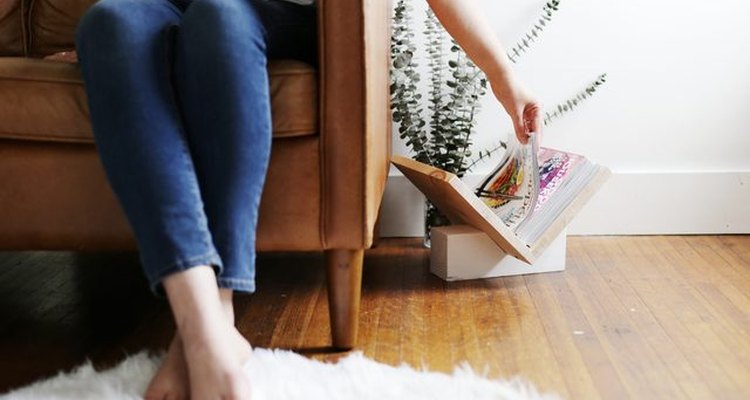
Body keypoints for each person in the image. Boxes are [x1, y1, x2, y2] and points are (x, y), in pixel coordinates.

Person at [73, 0, 541, 398]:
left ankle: (213, 314)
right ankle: (203, 329)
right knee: (106, 23)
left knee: (216, 15)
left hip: (268, 13)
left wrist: (502, 74)